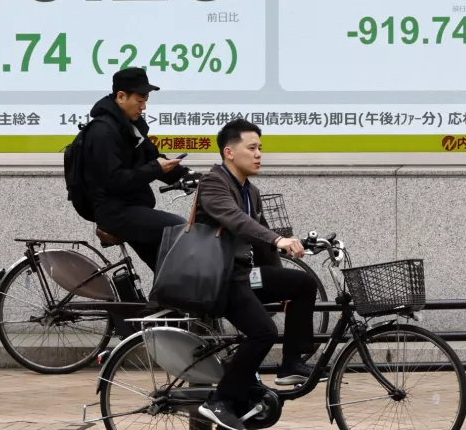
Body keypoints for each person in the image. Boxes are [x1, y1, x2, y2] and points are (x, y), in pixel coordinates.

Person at [192, 119, 319, 430]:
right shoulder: (213, 183)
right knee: (263, 332)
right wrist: (278, 238)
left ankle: (291, 363)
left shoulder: (252, 191)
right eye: (252, 148)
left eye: (261, 148)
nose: (259, 154)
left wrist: (280, 286)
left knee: (302, 283)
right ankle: (218, 402)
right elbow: (235, 220)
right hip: (217, 278)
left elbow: (261, 247)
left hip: (243, 274)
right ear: (229, 152)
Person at [82, 67, 193, 271]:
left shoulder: (129, 126)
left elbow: (152, 158)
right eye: (140, 101)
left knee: (166, 268)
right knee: (179, 228)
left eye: (146, 101)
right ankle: (163, 299)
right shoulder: (102, 132)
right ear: (121, 97)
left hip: (132, 209)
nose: (144, 107)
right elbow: (114, 180)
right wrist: (154, 169)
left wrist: (190, 176)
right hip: (115, 212)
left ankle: (166, 300)